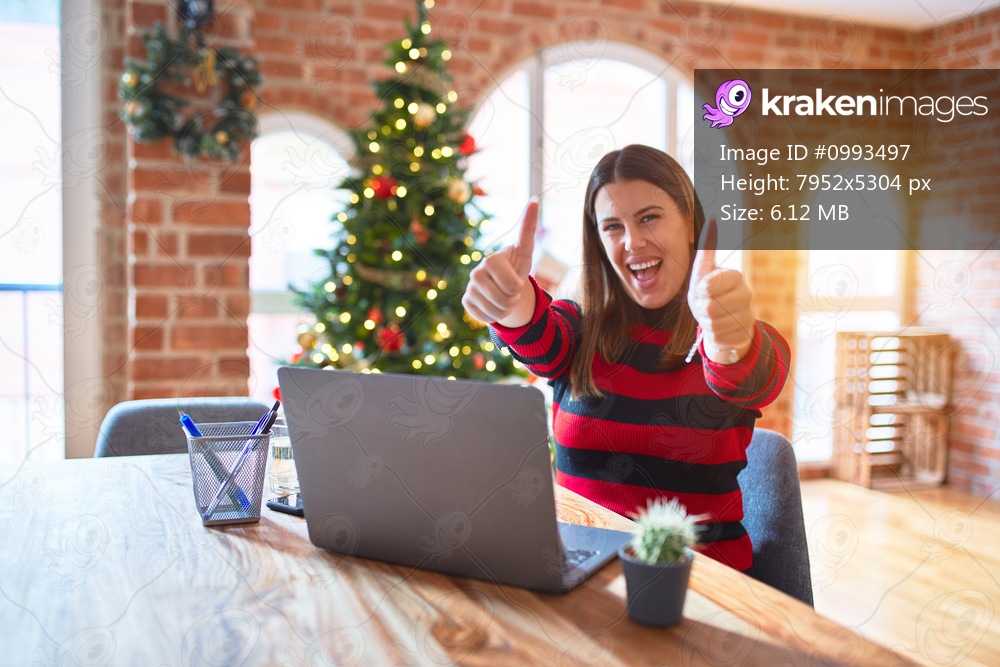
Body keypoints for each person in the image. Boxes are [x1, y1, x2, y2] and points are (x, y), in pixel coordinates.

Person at [461, 144, 789, 572]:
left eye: (649, 217)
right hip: (580, 579)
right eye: (613, 226)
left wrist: (726, 341)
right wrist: (511, 305)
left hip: (703, 592)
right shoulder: (579, 331)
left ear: (690, 223)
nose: (632, 241)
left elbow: (747, 373)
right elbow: (537, 335)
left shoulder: (734, 331)